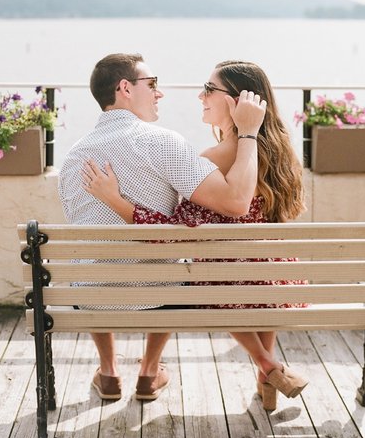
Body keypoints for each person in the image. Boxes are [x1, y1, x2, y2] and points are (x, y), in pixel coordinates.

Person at [83, 60, 307, 412]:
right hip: (272, 284)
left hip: (222, 286)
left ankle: (268, 366)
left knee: (217, 276)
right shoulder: (279, 155)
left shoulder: (214, 158)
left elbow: (171, 234)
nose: (200, 96)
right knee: (259, 267)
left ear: (237, 102)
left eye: (209, 89)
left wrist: (116, 201)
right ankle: (267, 374)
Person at [57, 52, 266, 403]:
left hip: (91, 297)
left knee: (95, 260)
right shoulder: (164, 144)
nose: (159, 93)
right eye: (152, 85)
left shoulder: (73, 158)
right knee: (169, 264)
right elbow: (234, 203)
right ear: (125, 88)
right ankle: (149, 371)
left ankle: (108, 371)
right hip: (160, 296)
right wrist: (247, 134)